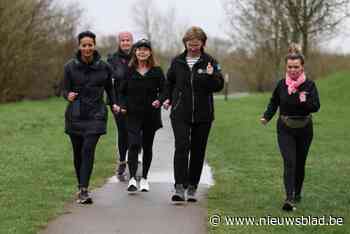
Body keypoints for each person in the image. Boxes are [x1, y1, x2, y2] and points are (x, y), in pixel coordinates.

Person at [163, 26, 224, 203]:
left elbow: (218, 86)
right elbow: (169, 83)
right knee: (182, 147)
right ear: (185, 43)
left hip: (203, 115)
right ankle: (179, 187)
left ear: (203, 43)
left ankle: (192, 186)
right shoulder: (177, 62)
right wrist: (167, 98)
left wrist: (213, 76)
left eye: (197, 44)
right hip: (180, 113)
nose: (193, 47)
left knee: (198, 150)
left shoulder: (210, 62)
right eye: (190, 44)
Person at [260, 44, 320, 211]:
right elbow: (274, 102)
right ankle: (289, 198)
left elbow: (316, 107)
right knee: (290, 162)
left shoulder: (309, 85)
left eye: (296, 67)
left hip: (305, 128)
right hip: (285, 128)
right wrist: (266, 116)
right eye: (290, 67)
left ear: (302, 67)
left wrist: (304, 100)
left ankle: (297, 192)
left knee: (300, 163)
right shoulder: (281, 85)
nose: (293, 70)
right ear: (286, 67)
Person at [63, 31, 119, 204]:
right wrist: (68, 95)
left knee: (88, 149)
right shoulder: (69, 67)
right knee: (78, 153)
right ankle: (81, 186)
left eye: (90, 45)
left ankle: (84, 189)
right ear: (79, 46)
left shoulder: (104, 67)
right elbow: (63, 89)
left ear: (94, 46)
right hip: (76, 115)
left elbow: (110, 90)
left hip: (96, 114)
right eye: (84, 45)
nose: (87, 48)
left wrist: (114, 104)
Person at [118, 39, 165, 193]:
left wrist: (160, 100)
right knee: (133, 144)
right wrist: (122, 106)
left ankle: (144, 178)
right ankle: (132, 178)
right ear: (135, 52)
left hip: (150, 114)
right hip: (132, 114)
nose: (142, 52)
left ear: (150, 52)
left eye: (145, 49)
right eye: (139, 49)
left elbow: (165, 90)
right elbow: (122, 92)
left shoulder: (157, 71)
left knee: (147, 146)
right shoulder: (129, 70)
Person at [107, 31, 134, 180]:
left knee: (135, 131)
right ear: (119, 42)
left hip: (135, 102)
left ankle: (134, 160)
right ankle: (123, 160)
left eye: (128, 40)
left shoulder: (138, 56)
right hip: (118, 102)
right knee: (123, 132)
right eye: (123, 40)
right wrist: (113, 103)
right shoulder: (112, 59)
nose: (125, 43)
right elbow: (108, 83)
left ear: (132, 41)